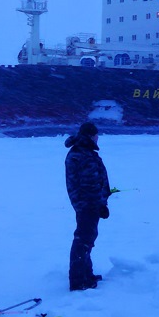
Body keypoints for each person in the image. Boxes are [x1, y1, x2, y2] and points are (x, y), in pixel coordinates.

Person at [65, 121, 111, 291]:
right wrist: (100, 204)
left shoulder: (82, 152)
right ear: (91, 135)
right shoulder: (83, 154)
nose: (98, 138)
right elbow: (90, 183)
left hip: (86, 204)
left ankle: (86, 274)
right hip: (87, 205)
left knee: (86, 239)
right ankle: (78, 280)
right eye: (96, 135)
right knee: (83, 240)